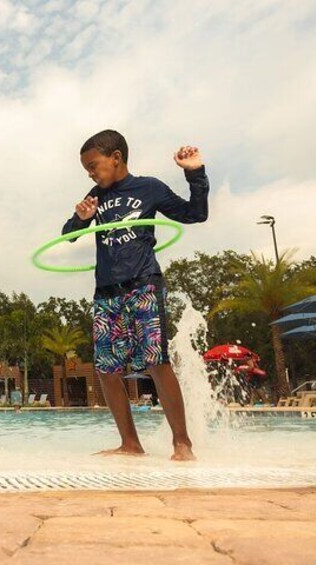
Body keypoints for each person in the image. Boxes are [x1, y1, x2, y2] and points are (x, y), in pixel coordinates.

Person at [62, 129, 209, 461]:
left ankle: (182, 443)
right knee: (106, 369)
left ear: (116, 158)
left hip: (143, 284)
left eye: (93, 165)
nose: (90, 173)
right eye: (86, 169)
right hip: (106, 291)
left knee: (156, 361)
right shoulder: (95, 195)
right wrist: (82, 219)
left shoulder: (149, 188)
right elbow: (68, 235)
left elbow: (195, 214)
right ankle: (130, 443)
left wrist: (195, 173)